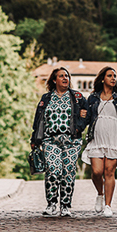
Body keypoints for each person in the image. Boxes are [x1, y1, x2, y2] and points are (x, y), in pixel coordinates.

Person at [76, 66, 117, 217]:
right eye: (110, 76)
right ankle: (100, 194)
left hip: (115, 138)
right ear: (103, 79)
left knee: (109, 172)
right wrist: (79, 121)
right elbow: (87, 119)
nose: (113, 78)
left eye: (114, 76)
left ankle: (108, 206)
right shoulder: (93, 98)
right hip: (97, 138)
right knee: (96, 171)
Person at [30, 68, 82, 216]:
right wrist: (35, 139)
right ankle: (52, 204)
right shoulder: (46, 98)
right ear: (54, 80)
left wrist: (80, 126)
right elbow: (38, 120)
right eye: (61, 76)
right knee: (53, 170)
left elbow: (87, 114)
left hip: (71, 141)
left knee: (68, 172)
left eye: (67, 76)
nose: (65, 78)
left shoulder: (77, 97)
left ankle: (65, 205)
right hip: (50, 140)